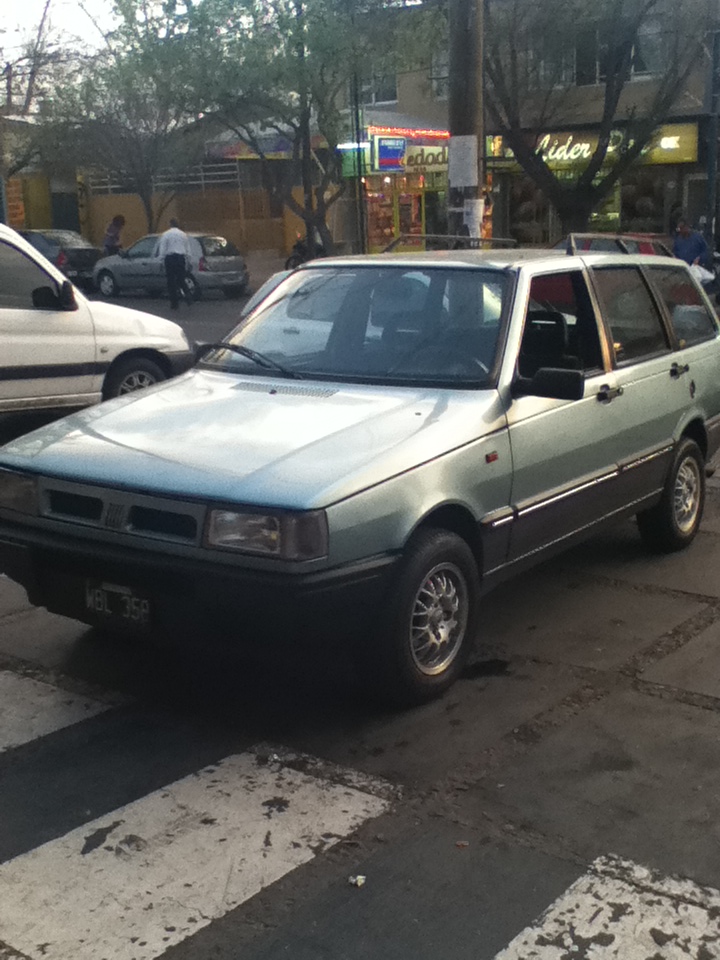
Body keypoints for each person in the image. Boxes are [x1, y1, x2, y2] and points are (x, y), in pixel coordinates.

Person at [154, 218, 192, 310]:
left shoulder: (166, 234)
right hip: (180, 258)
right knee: (181, 279)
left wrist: (161, 260)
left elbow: (163, 249)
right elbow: (188, 249)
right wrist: (189, 260)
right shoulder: (183, 235)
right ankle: (187, 294)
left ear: (170, 224)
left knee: (171, 281)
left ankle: (174, 303)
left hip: (170, 258)